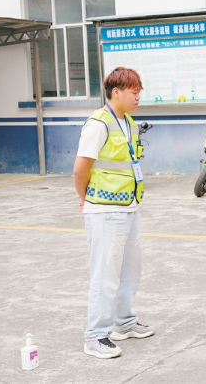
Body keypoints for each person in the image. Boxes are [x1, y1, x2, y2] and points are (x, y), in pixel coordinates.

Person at [73, 67, 155, 359]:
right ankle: (95, 336)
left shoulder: (129, 123)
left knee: (130, 271)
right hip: (105, 210)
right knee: (105, 274)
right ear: (116, 92)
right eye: (134, 92)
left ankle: (124, 323)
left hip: (129, 206)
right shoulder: (99, 124)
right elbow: (80, 169)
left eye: (139, 92)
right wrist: (86, 201)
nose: (138, 98)